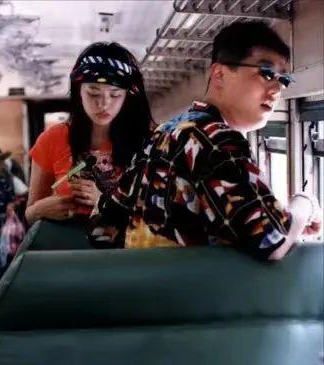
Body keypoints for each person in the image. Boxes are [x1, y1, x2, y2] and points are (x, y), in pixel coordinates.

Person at [89, 21, 322, 261]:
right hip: (189, 286)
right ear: (219, 74)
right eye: (267, 74)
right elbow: (271, 241)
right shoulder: (217, 138)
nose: (277, 90)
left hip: (140, 283)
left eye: (283, 80)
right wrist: (305, 204)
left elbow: (102, 228)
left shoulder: (163, 133)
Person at [25, 42, 154, 225]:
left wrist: (103, 202)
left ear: (127, 96)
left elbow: (158, 218)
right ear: (78, 91)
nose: (104, 104)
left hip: (124, 243)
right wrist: (39, 210)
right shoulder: (52, 138)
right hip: (65, 240)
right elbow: (29, 215)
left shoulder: (149, 142)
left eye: (115, 94)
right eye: (93, 93)